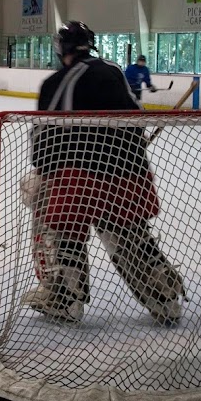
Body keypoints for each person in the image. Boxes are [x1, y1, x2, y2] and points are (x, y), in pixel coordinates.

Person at [22, 21, 184, 325]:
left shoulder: (57, 82)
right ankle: (165, 297)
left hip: (76, 179)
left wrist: (43, 170)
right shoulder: (113, 71)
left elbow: (44, 138)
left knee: (55, 220)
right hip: (130, 176)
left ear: (61, 48)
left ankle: (64, 295)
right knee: (130, 237)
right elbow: (136, 120)